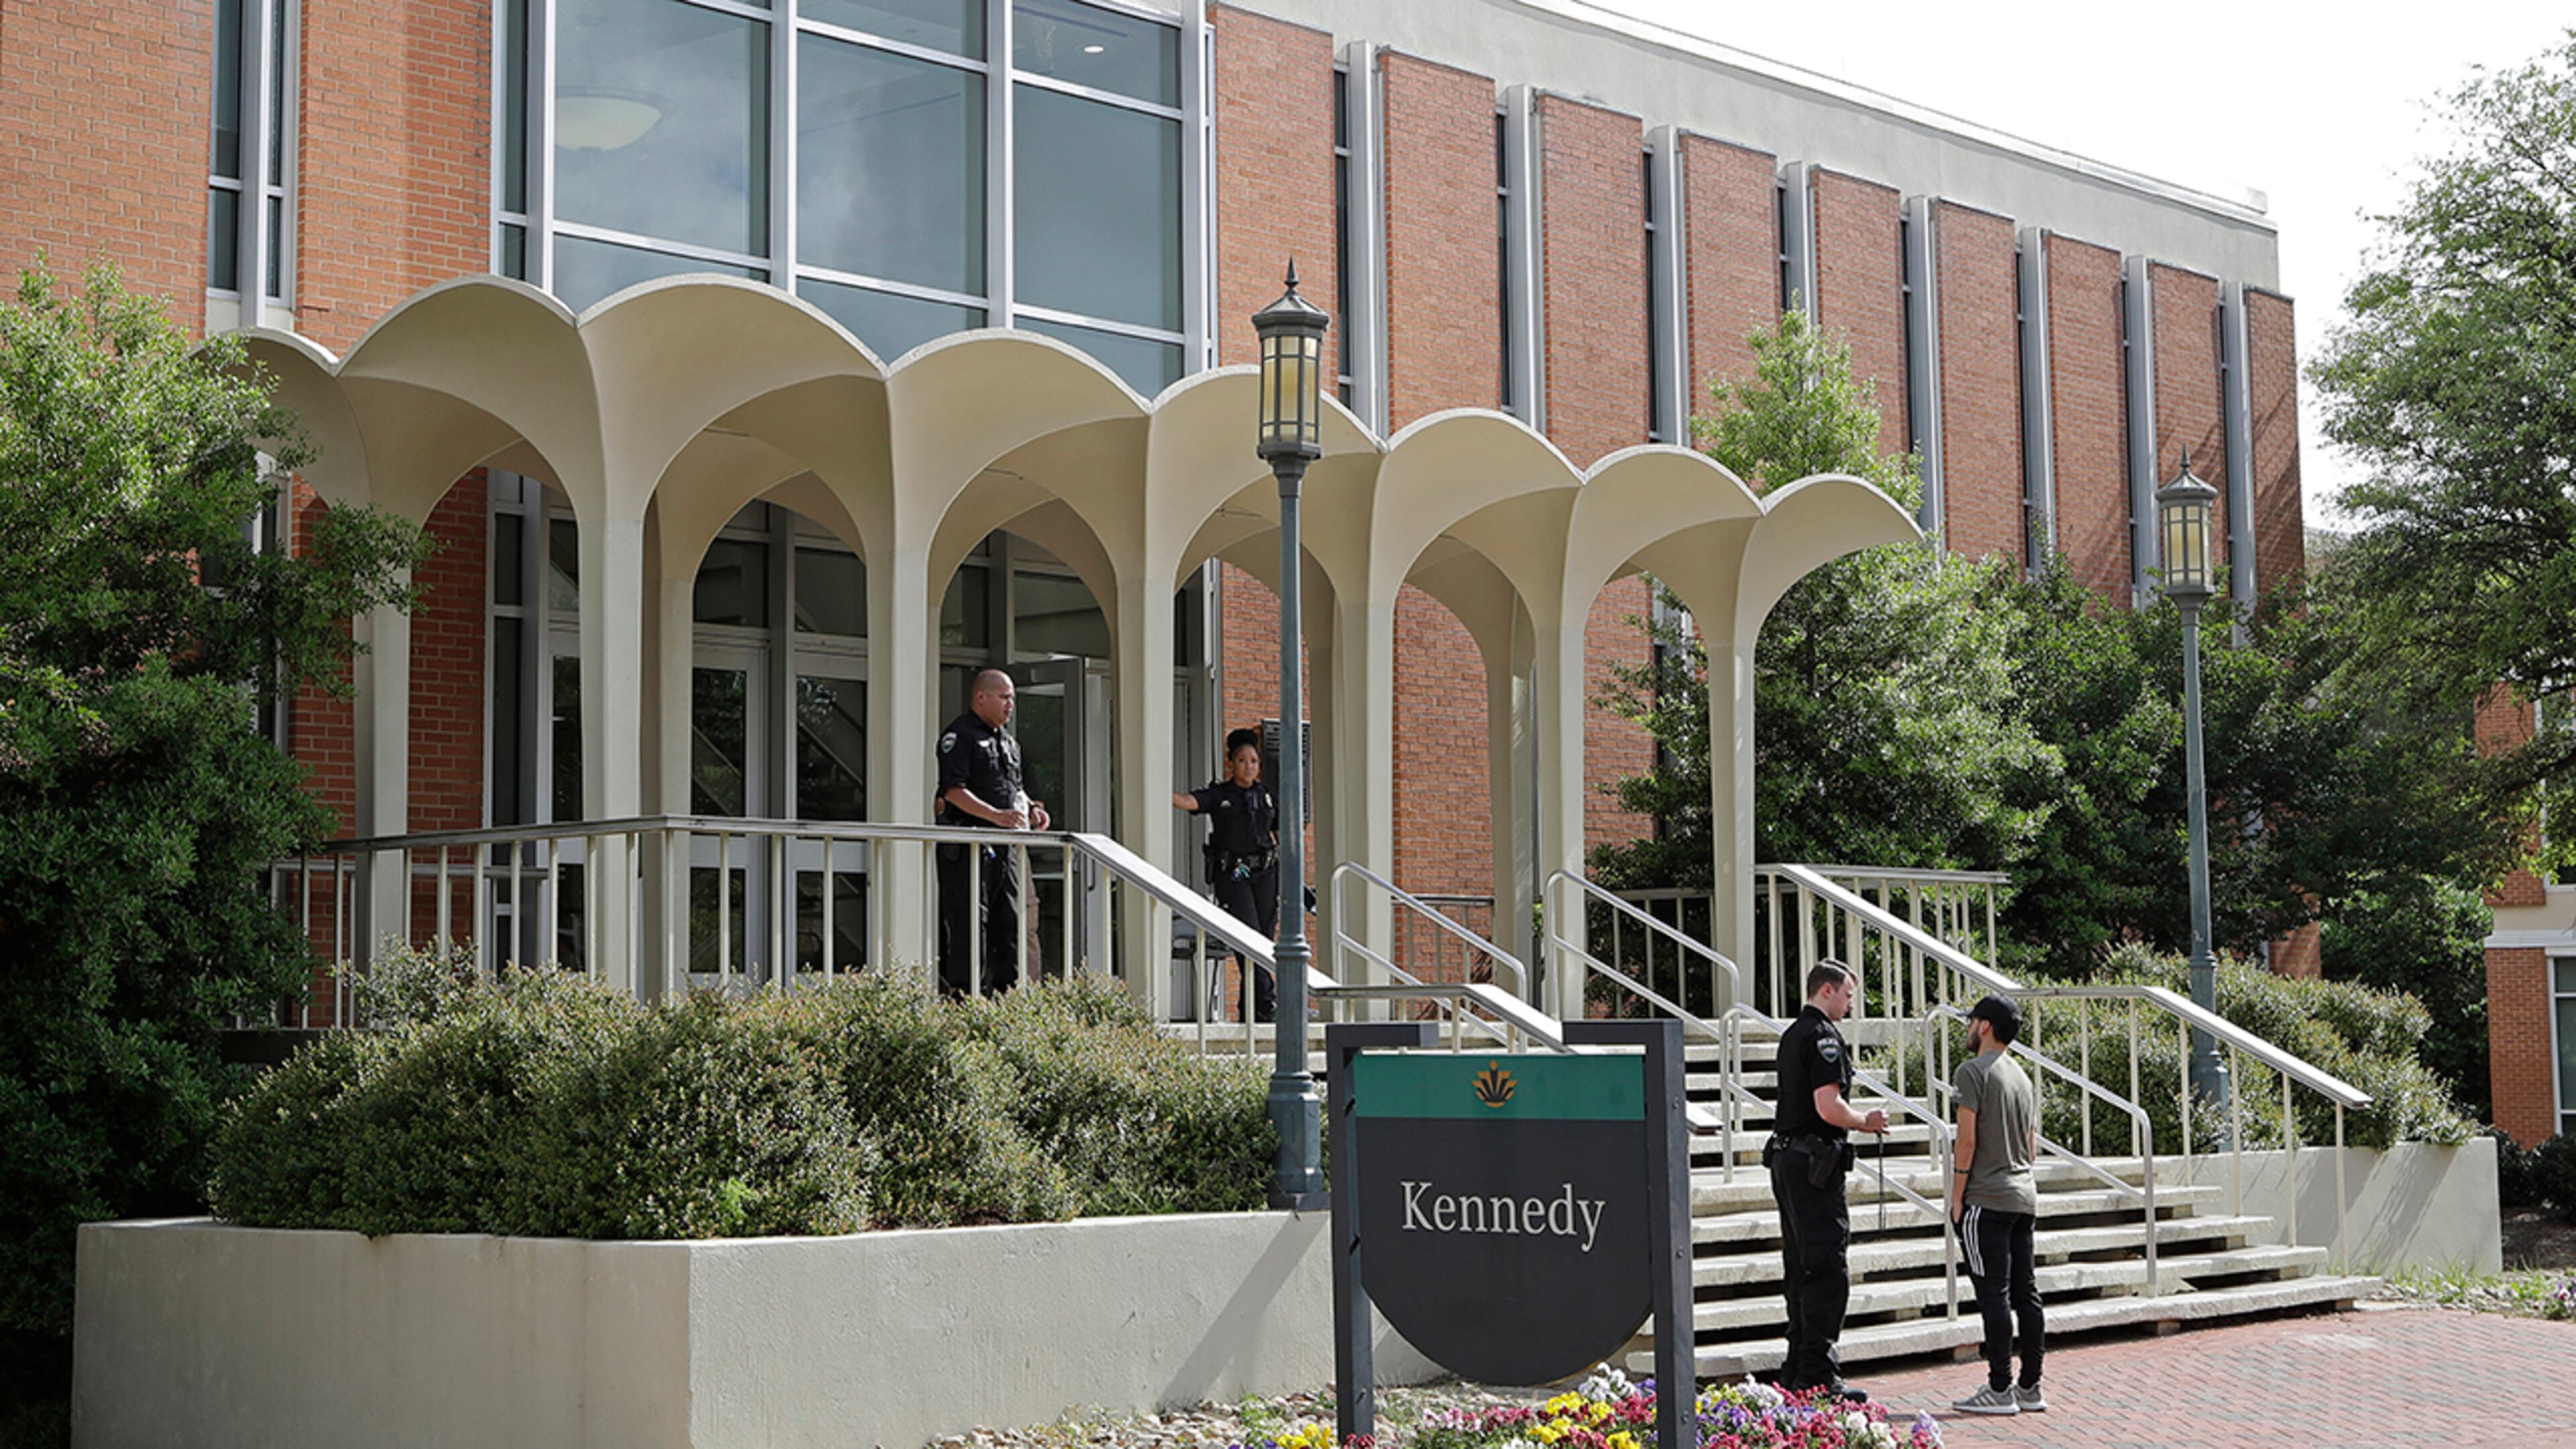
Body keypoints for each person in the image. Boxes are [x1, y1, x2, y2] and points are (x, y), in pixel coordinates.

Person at [1765, 959, 1888, 1401]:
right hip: (1812, 1166)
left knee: (1801, 1266)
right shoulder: (1821, 1038)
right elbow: (1828, 1106)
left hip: (1789, 1160)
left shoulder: (1794, 1033)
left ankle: (1798, 1368)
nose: (1851, 1003)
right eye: (1848, 994)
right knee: (1826, 1268)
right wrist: (1866, 1121)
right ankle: (1817, 1376)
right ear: (1828, 992)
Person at [1949, 994, 2046, 1417]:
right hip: (2024, 1196)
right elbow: (2031, 1146)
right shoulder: (2022, 1077)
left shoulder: (1971, 1072)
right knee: (2026, 1293)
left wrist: (1956, 1197)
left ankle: (1999, 1388)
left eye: (1971, 1021)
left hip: (1986, 1199)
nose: (1968, 1028)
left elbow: (1966, 1141)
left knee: (1993, 1294)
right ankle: (2030, 1386)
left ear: (1984, 1026)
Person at [935, 669, 1048, 996]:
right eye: (1004, 697)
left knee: (1010, 924)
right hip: (970, 847)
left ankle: (1006, 1000)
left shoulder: (1008, 742)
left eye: (1012, 698)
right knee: (970, 926)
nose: (1010, 704)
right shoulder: (960, 735)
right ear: (981, 697)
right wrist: (996, 816)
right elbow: (953, 791)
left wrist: (1032, 810)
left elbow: (1014, 789)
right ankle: (966, 1001)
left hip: (1005, 849)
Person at [1173, 727, 1281, 1022]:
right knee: (1248, 934)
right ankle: (1267, 1000)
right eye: (1243, 760)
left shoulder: (1267, 796)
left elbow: (1283, 830)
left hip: (1265, 872)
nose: (1249, 766)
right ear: (1231, 763)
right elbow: (1188, 802)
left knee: (1265, 939)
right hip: (1235, 873)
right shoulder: (1221, 794)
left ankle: (1254, 1009)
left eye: (1254, 761)